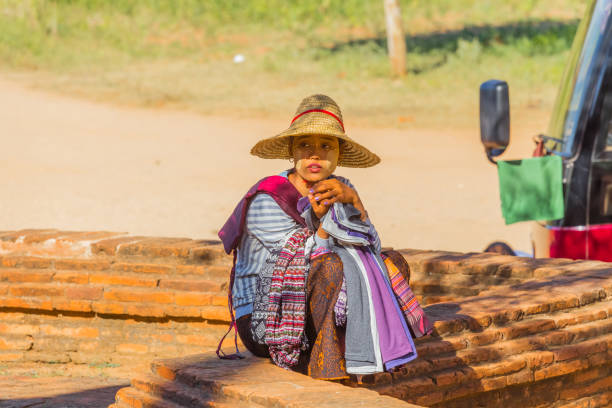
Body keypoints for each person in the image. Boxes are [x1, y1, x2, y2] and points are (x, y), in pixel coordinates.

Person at [218, 94, 432, 380]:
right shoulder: (268, 199)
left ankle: (357, 350)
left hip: (315, 305)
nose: (315, 155)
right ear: (291, 153)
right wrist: (324, 225)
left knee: (391, 262)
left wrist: (357, 206)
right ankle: (328, 360)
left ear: (339, 155)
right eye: (305, 145)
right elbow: (301, 262)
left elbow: (371, 251)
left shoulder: (339, 190)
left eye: (325, 146)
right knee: (329, 265)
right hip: (267, 319)